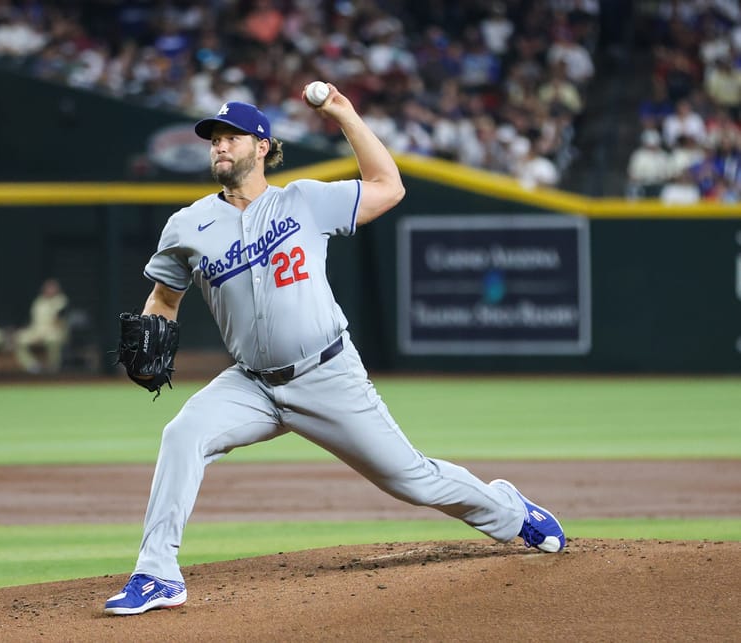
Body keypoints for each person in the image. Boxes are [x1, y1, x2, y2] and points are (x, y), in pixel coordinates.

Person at [104, 86, 566, 616]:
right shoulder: (187, 225)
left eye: (231, 137)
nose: (219, 146)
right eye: (214, 138)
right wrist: (154, 326)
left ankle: (509, 511)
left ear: (262, 145)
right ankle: (158, 574)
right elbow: (164, 296)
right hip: (251, 383)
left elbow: (388, 188)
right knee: (182, 434)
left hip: (326, 374)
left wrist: (343, 113)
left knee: (411, 479)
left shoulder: (304, 200)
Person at [14, 278, 69, 373]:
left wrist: (42, 334)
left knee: (52, 338)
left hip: (54, 331)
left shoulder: (61, 301)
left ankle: (53, 367)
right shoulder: (39, 301)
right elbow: (33, 320)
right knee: (19, 338)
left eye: (52, 288)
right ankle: (32, 366)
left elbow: (59, 321)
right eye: (48, 288)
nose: (50, 290)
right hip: (36, 331)